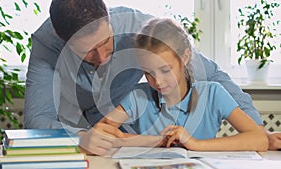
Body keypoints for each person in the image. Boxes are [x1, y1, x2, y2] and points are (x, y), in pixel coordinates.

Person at [23, 0, 280, 155]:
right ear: (63, 41)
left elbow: (212, 74)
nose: (102, 57)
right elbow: (38, 120)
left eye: (106, 42)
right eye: (87, 52)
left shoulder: (143, 31)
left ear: (110, 19)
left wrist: (258, 132)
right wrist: (80, 137)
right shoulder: (47, 45)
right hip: (86, 144)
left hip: (127, 140)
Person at [97, 18, 268, 151]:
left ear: (185, 58)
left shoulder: (213, 94)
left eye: (165, 70)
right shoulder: (138, 96)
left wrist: (194, 144)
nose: (157, 81)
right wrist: (157, 141)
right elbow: (101, 132)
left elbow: (259, 139)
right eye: (148, 72)